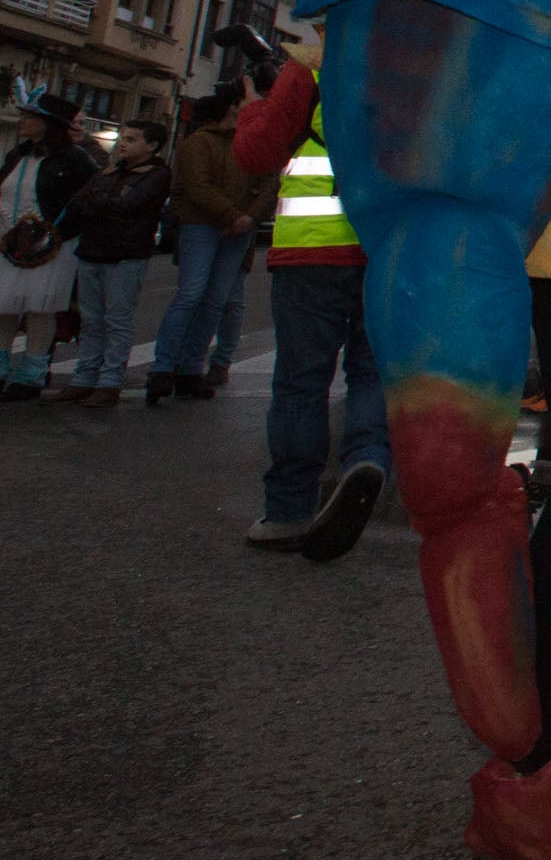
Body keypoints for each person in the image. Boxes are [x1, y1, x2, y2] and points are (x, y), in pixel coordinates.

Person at [233, 37, 394, 559]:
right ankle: (365, 458)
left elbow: (255, 153)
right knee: (373, 371)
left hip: (312, 250)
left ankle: (288, 510)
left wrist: (258, 102)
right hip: (388, 246)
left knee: (302, 380)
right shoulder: (417, 59)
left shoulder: (309, 69)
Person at [0, 91, 95, 400]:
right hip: (6, 241)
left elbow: (88, 202)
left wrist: (55, 233)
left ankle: (31, 375)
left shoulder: (76, 160)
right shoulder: (17, 155)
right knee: (1, 308)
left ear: (49, 124)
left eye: (29, 117)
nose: (22, 121)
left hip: (49, 246)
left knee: (40, 309)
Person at [148, 86, 262, 404]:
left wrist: (249, 218)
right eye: (247, 102)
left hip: (238, 229)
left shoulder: (253, 141)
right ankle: (163, 367)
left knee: (216, 299)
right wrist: (234, 215)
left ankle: (190, 369)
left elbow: (268, 182)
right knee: (191, 293)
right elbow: (196, 185)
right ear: (232, 107)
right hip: (202, 225)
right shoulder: (199, 141)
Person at [49, 119, 174, 407]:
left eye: (132, 139)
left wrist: (101, 202)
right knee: (91, 321)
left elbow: (129, 207)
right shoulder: (108, 171)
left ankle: (109, 381)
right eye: (123, 138)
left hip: (125, 255)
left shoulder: (156, 174)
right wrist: (106, 201)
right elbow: (78, 203)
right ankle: (84, 378)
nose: (123, 144)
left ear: (151, 146)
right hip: (92, 250)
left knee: (116, 320)